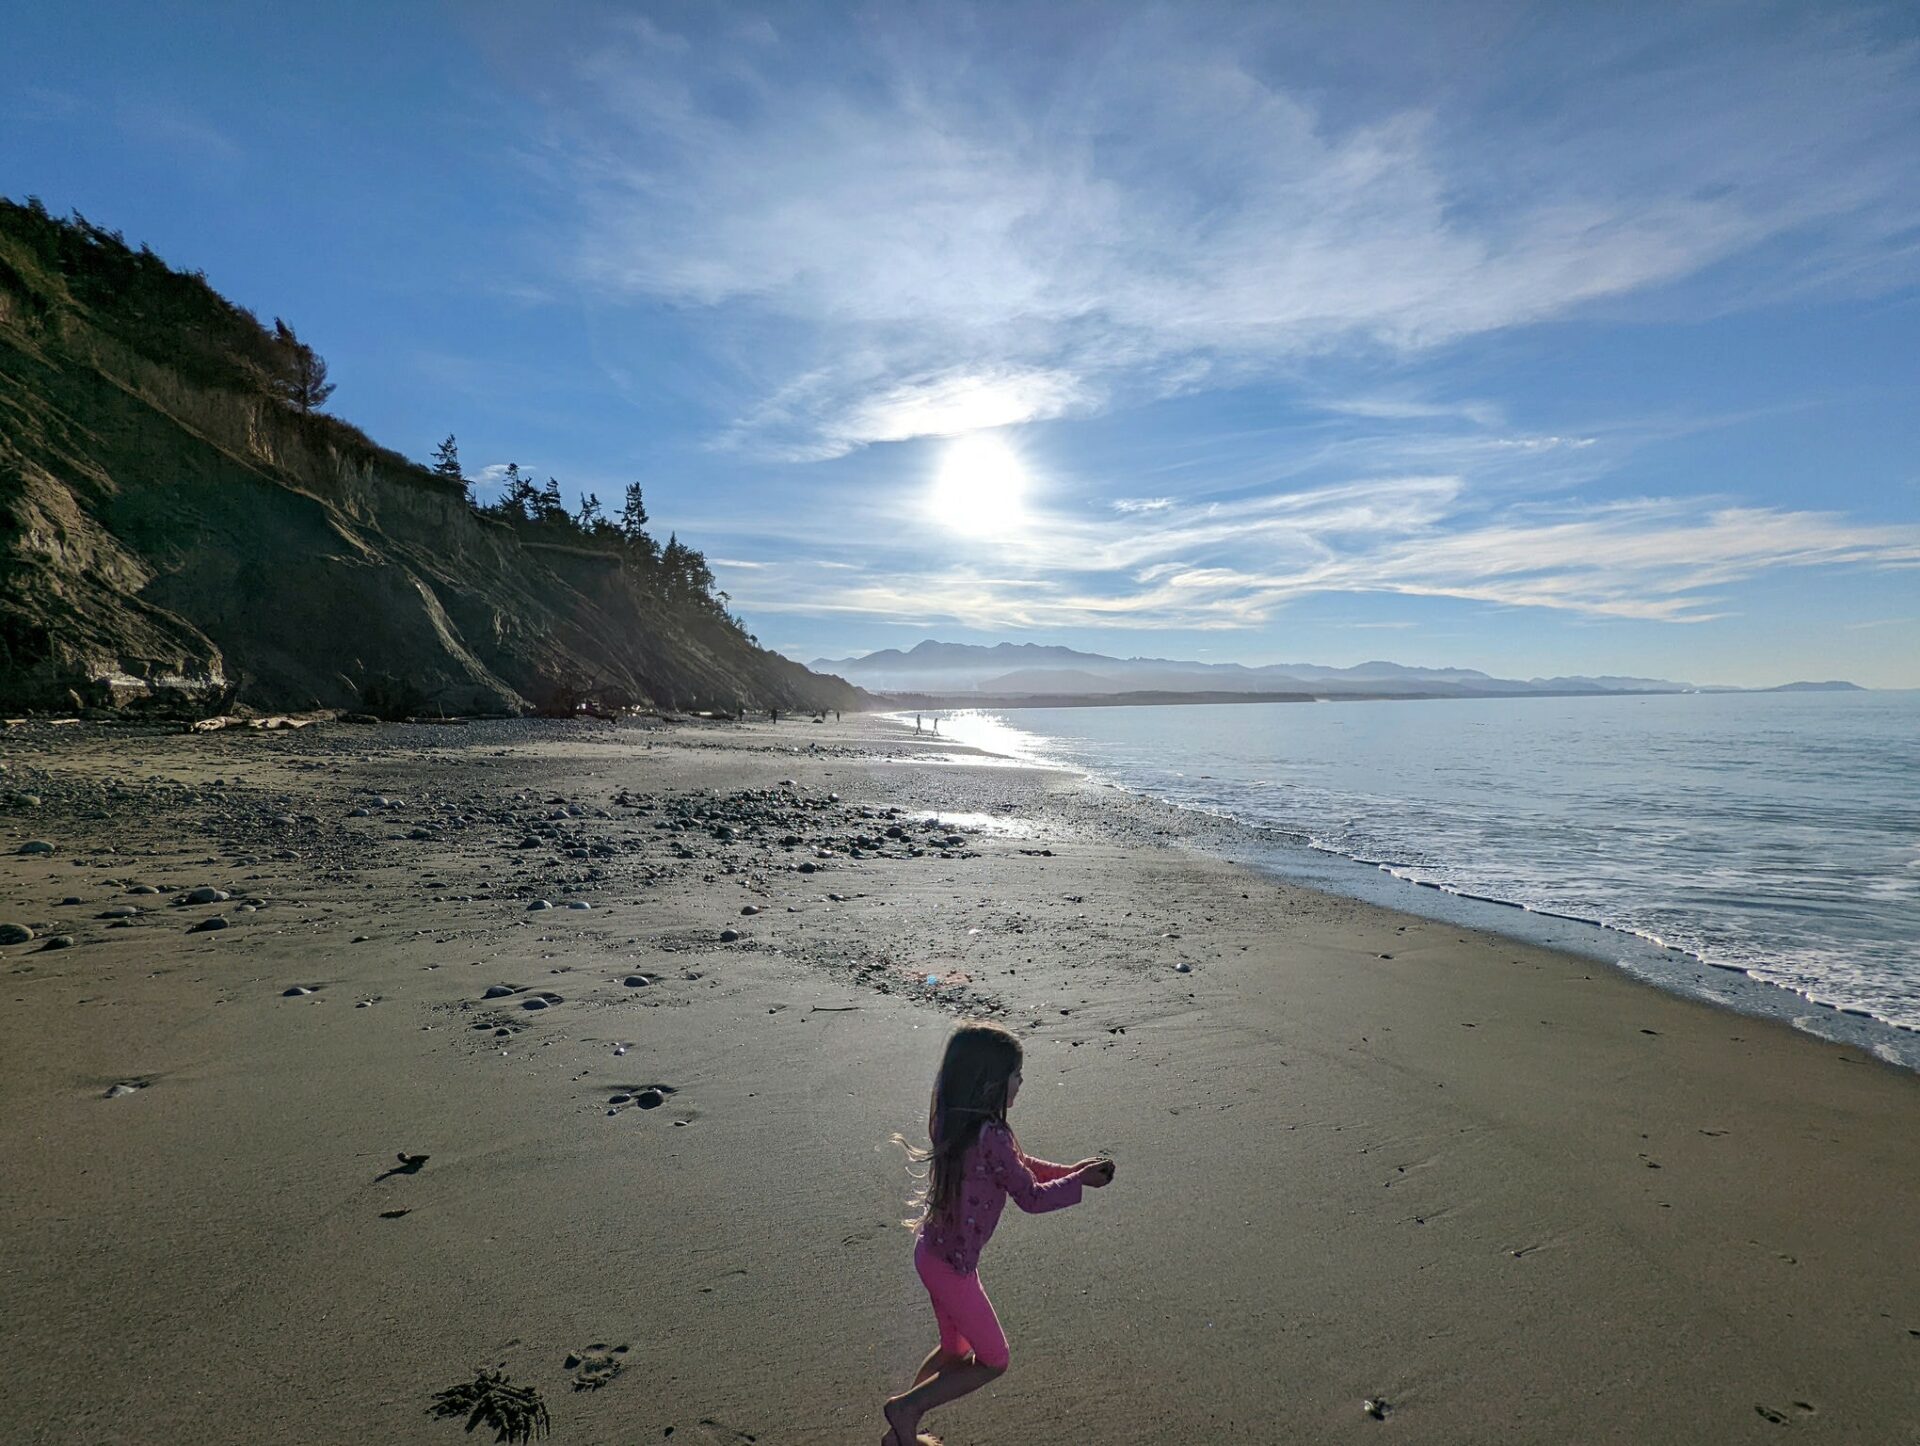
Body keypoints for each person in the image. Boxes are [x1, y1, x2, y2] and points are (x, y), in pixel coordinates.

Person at [881, 1022, 1115, 1445]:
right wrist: (1081, 1184)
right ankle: (906, 1410)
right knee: (994, 1359)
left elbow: (1019, 1168)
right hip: (952, 1268)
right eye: (1016, 1074)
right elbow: (1030, 1196)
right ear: (991, 1081)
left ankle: (901, 1433)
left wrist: (1072, 1172)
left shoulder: (957, 1120)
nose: (1021, 1082)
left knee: (955, 1351)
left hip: (933, 1255)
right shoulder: (993, 1135)